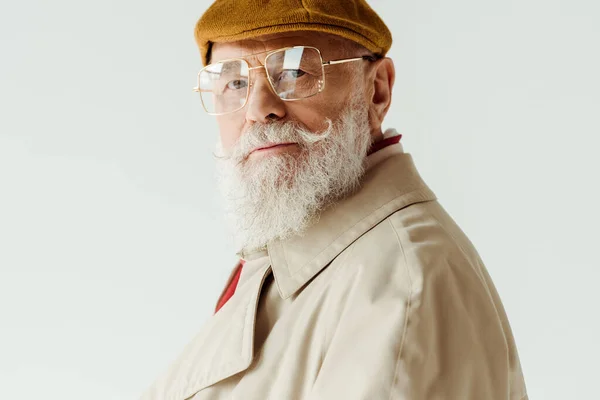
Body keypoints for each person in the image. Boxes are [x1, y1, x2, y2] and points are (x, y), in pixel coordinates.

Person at [141, 1, 528, 399]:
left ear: (376, 90)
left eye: (294, 71)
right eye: (234, 82)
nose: (259, 109)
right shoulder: (295, 259)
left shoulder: (400, 286)